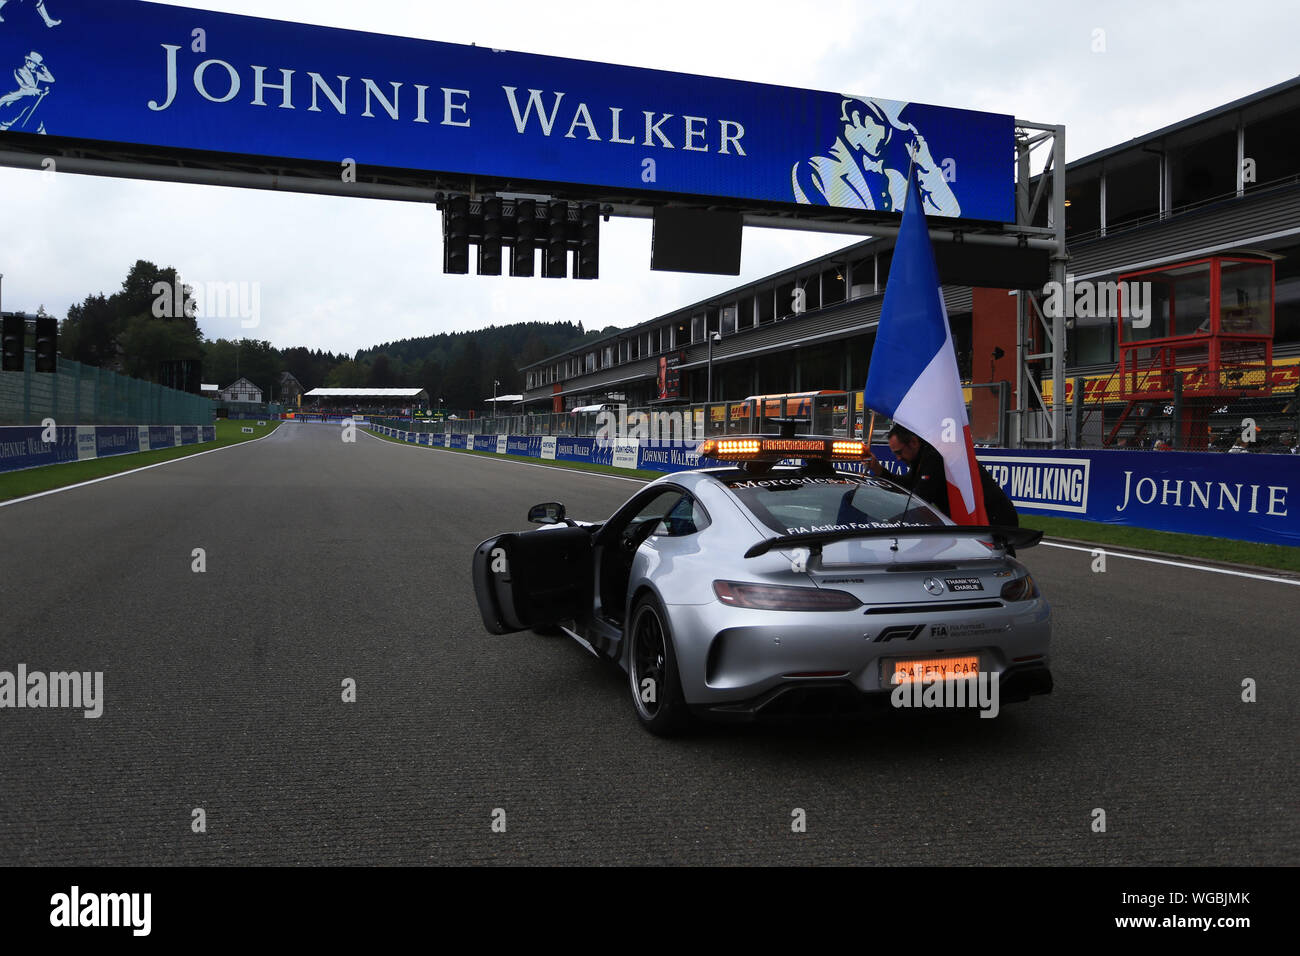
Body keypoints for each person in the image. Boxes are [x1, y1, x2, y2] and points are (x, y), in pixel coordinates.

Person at [791, 96, 960, 217]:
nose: (887, 136)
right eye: (884, 125)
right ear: (856, 117)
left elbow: (948, 212)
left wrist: (926, 164)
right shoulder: (814, 168)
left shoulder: (889, 177)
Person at [864, 423, 1019, 528]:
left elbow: (918, 501)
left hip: (993, 519)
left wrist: (886, 522)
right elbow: (909, 486)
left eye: (899, 452)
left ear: (913, 442)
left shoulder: (936, 456)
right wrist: (880, 471)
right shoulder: (923, 456)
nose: (898, 458)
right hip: (977, 521)